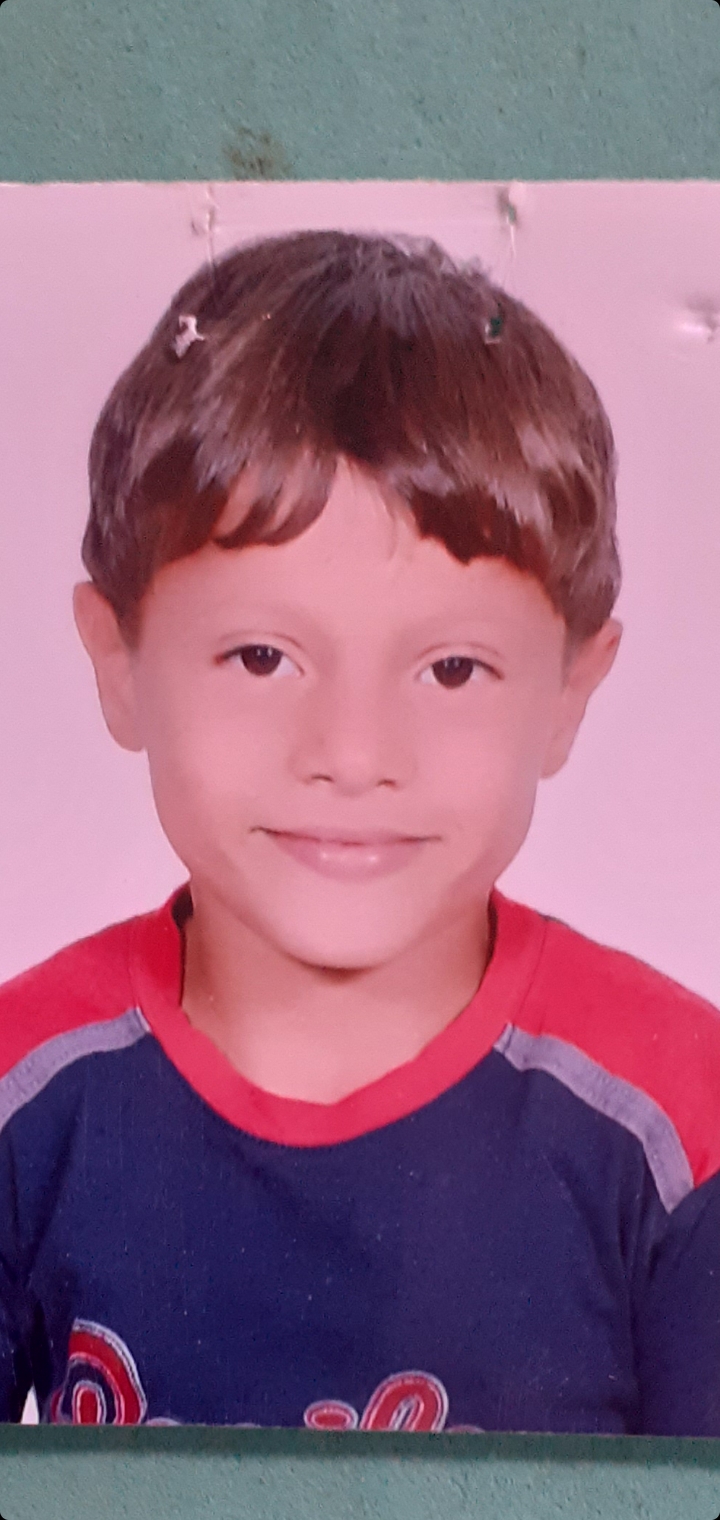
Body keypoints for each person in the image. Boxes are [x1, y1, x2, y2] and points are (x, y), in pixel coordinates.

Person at [1, 229, 718, 1434]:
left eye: (452, 668)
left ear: (570, 691)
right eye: (261, 655)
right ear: (117, 661)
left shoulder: (683, 1124)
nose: (351, 750)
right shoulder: (28, 1089)